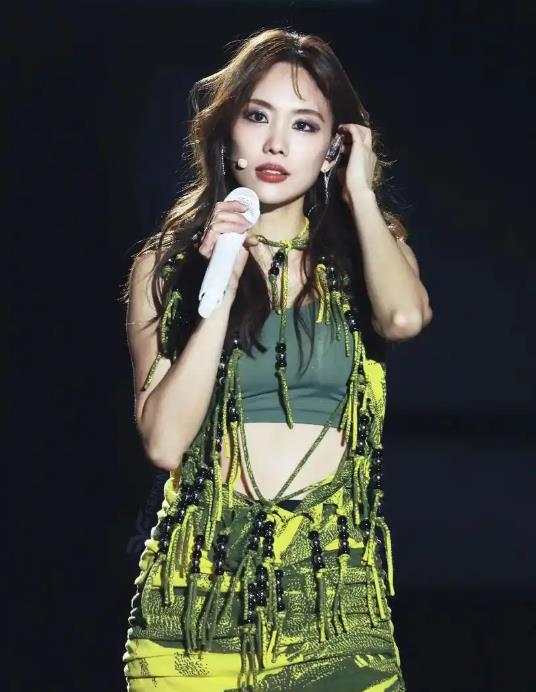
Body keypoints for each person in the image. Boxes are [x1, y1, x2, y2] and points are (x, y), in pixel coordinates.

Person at [121, 27, 432, 692]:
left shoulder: (369, 255)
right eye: (258, 116)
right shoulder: (168, 265)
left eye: (305, 125)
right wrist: (221, 290)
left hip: (333, 592)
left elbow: (404, 318)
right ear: (227, 131)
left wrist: (361, 192)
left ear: (333, 147)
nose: (276, 144)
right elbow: (166, 443)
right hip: (197, 597)